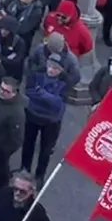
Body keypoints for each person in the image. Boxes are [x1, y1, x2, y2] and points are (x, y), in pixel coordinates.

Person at [21, 53, 76, 181]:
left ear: (61, 70)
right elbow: (29, 93)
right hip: (33, 114)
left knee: (45, 151)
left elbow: (58, 104)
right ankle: (24, 169)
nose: (51, 70)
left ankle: (40, 176)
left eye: (55, 69)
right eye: (50, 66)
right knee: (27, 144)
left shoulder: (65, 81)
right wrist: (50, 97)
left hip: (51, 120)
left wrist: (42, 94)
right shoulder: (36, 73)